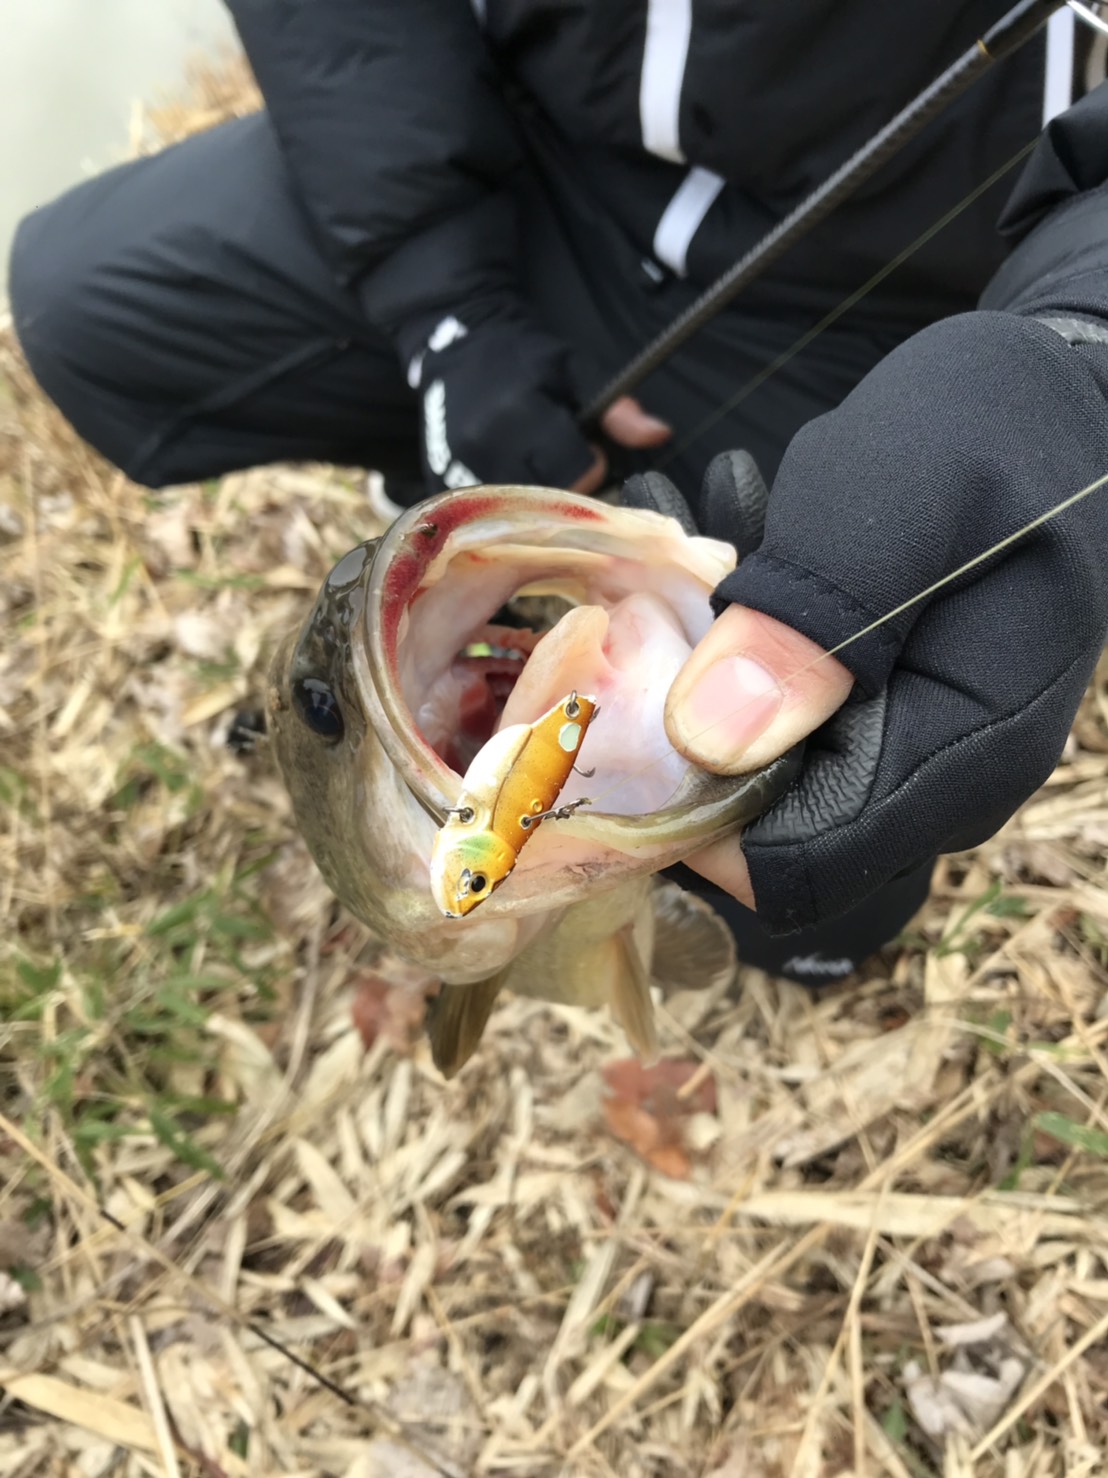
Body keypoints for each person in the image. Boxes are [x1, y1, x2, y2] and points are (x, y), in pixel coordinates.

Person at [10, 2, 1108, 983]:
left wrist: (1077, 343)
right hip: (544, 164)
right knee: (83, 299)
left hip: (897, 286)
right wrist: (447, 305)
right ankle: (464, 472)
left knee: (824, 860)